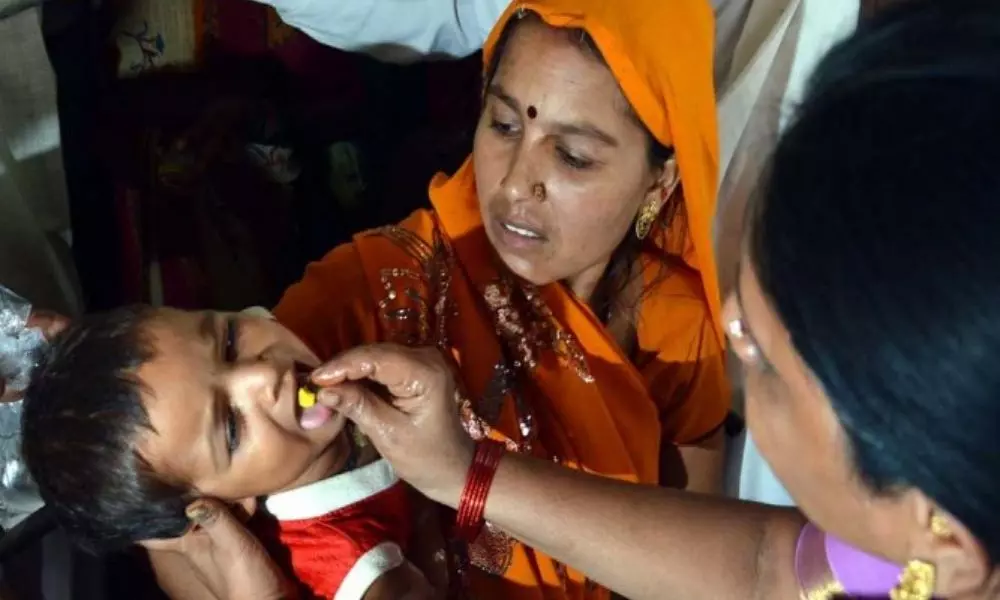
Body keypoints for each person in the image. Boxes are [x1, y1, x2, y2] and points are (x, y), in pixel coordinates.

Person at [179, 0, 1000, 598]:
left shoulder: (678, 327)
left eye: (769, 361)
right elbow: (756, 566)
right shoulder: (389, 283)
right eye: (503, 125)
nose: (518, 181)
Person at [20, 306, 433, 600]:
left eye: (230, 343)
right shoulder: (346, 565)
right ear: (229, 512)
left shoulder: (282, 337)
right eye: (232, 427)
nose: (266, 374)